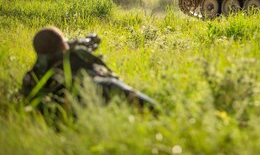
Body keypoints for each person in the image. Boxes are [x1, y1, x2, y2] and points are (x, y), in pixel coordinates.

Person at [22, 27, 158, 113]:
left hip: (58, 113)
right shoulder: (74, 62)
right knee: (113, 85)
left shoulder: (32, 75)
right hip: (84, 105)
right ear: (64, 46)